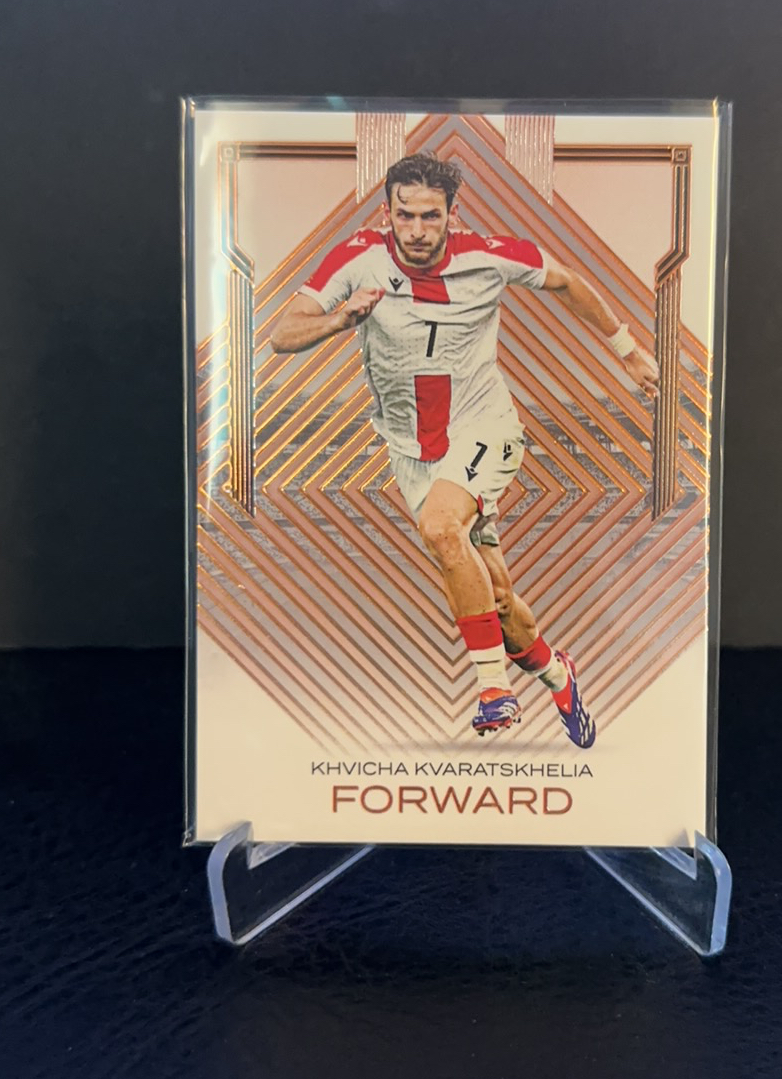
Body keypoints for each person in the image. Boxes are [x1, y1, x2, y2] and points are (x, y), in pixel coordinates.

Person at [271, 151, 659, 747]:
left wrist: (627, 349)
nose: (417, 230)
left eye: (431, 216)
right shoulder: (358, 258)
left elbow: (566, 281)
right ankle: (558, 675)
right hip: (411, 449)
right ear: (386, 213)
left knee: (440, 527)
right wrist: (341, 319)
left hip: (483, 427)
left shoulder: (489, 256)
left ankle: (493, 690)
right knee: (497, 600)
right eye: (405, 215)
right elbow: (283, 333)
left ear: (453, 215)